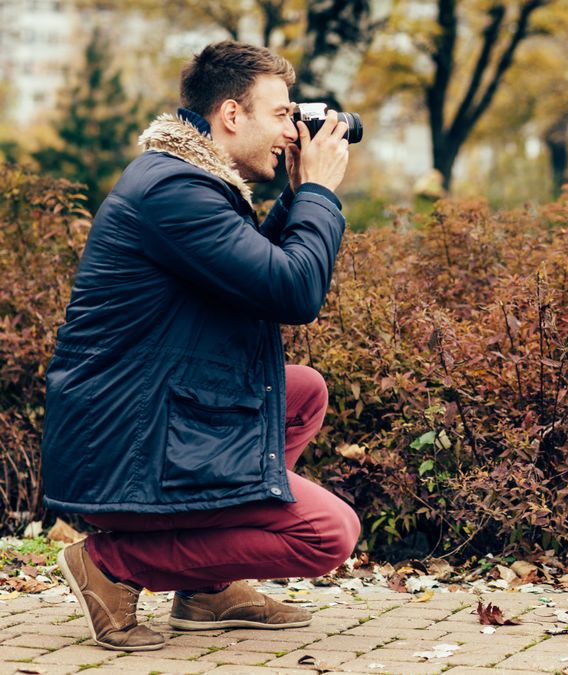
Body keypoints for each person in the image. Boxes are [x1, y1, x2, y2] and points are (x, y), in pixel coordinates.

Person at [41, 40, 360, 652]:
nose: (293, 129)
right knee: (328, 534)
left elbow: (253, 280)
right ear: (232, 115)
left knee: (301, 392)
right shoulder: (174, 191)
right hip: (124, 442)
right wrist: (320, 193)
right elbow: (292, 290)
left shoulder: (189, 179)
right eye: (281, 114)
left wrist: (297, 193)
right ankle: (111, 565)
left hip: (142, 409)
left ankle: (208, 587)